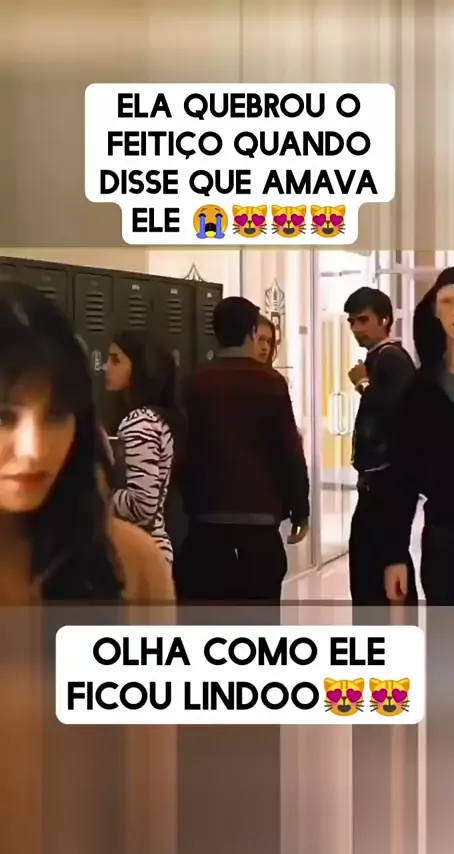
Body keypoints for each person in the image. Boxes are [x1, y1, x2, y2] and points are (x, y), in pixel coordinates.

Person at [0, 281, 175, 853]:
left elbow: (149, 783)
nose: (32, 448)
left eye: (56, 415)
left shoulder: (128, 564)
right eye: (4, 417)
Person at [179, 296, 310, 604]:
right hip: (259, 521)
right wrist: (299, 508)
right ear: (252, 332)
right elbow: (288, 450)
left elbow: (184, 449)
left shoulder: (194, 382)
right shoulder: (270, 382)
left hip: (206, 520)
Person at [384, 265, 454, 605]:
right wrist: (395, 554)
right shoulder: (420, 390)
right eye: (448, 302)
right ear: (435, 312)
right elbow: (402, 477)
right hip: (446, 540)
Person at [343, 287, 417, 606]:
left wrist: (363, 384)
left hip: (389, 482)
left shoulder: (392, 359)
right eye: (351, 321)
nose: (356, 328)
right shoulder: (381, 358)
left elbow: (395, 413)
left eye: (363, 320)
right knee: (374, 564)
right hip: (380, 482)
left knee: (382, 567)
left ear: (384, 319)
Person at [105, 331, 184, 567]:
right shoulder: (152, 418)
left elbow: (142, 505)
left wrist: (96, 496)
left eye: (116, 360)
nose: (106, 367)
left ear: (139, 369)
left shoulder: (140, 422)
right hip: (148, 548)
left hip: (140, 551)